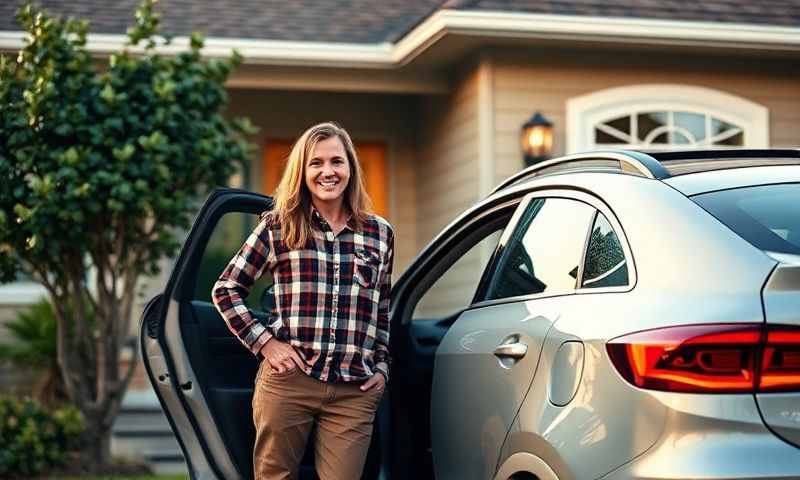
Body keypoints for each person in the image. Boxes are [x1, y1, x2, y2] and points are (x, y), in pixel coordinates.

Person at [212, 121, 393, 480]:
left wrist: (383, 368)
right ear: (303, 171)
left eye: (337, 162)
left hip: (353, 388)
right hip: (289, 381)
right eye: (316, 163)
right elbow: (226, 289)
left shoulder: (379, 233)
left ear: (350, 169)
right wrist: (265, 344)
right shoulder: (279, 226)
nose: (328, 172)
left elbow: (382, 310)